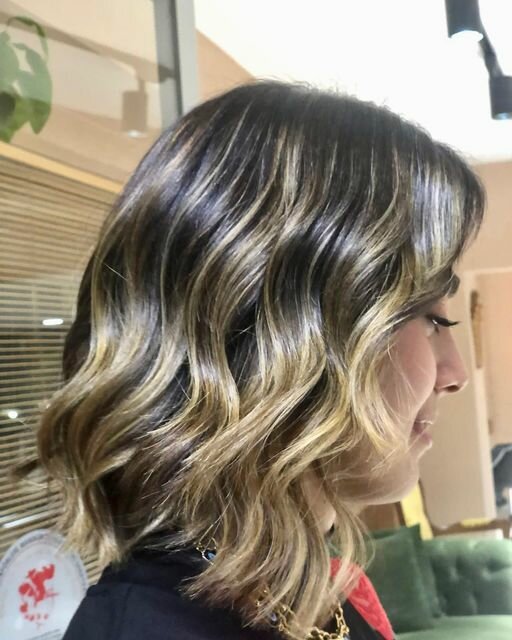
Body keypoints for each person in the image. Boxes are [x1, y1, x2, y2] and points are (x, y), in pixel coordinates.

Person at [16, 80, 485, 640]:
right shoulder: (159, 627)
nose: (455, 375)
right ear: (285, 334)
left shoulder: (295, 593)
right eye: (431, 317)